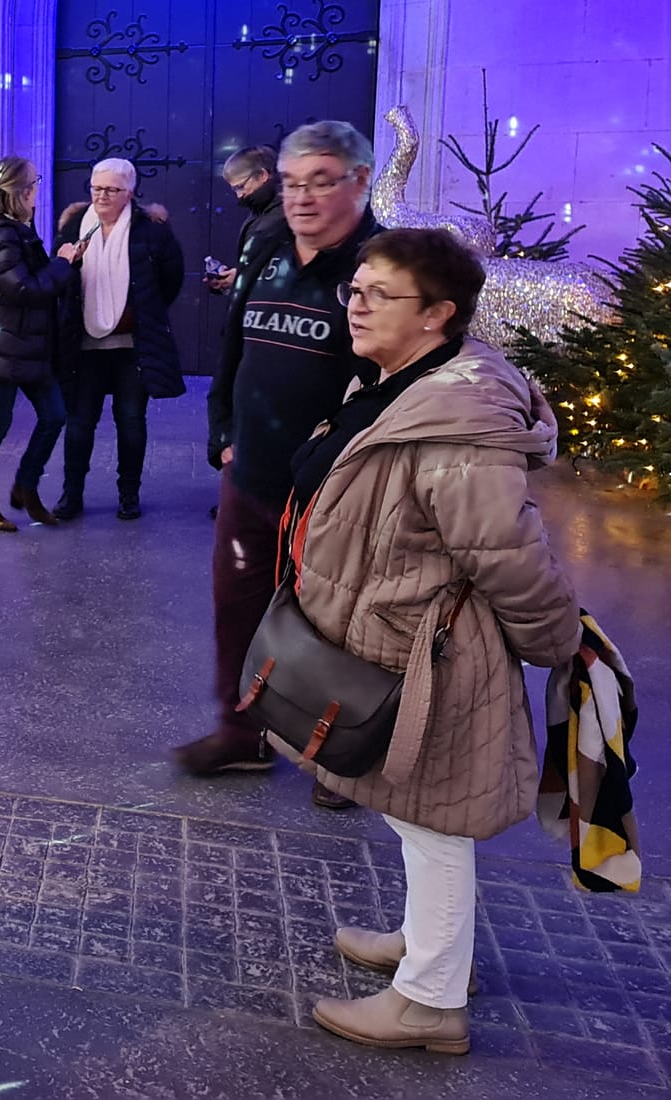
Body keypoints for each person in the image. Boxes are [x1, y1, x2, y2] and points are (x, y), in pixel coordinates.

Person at [278, 229, 580, 1054]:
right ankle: (429, 946)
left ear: (439, 314)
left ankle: (430, 1002)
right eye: (355, 289)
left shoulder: (455, 421)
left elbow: (506, 553)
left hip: (434, 653)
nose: (356, 305)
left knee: (434, 820)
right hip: (387, 637)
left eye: (380, 295)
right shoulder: (395, 383)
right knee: (413, 815)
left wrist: (558, 643)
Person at [173, 120, 380, 793]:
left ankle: (337, 756)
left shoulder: (381, 268)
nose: (302, 198)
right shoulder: (267, 249)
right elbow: (233, 346)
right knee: (237, 608)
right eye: (292, 183)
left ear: (360, 181)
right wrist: (223, 430)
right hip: (252, 477)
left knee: (334, 628)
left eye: (320, 181)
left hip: (333, 495)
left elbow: (393, 384)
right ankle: (243, 734)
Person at [50, 158, 186, 521]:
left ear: (129, 192)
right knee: (79, 423)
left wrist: (141, 311)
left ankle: (129, 495)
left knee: (130, 421)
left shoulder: (151, 230)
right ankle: (71, 495)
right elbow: (57, 278)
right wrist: (69, 266)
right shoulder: (73, 227)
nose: (102, 196)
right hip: (84, 346)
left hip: (132, 346)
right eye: (96, 188)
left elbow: (171, 279)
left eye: (111, 190)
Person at [0, 156, 74, 530]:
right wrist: (62, 264)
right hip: (3, 345)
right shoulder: (2, 236)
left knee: (54, 414)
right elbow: (23, 288)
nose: (37, 190)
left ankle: (26, 485)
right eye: (35, 183)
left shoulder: (17, 228)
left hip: (26, 345)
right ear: (25, 191)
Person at [207, 145, 281, 293]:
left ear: (262, 175)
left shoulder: (284, 215)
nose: (239, 195)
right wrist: (238, 277)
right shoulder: (260, 210)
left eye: (240, 186)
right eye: (235, 189)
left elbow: (283, 272)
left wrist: (241, 278)